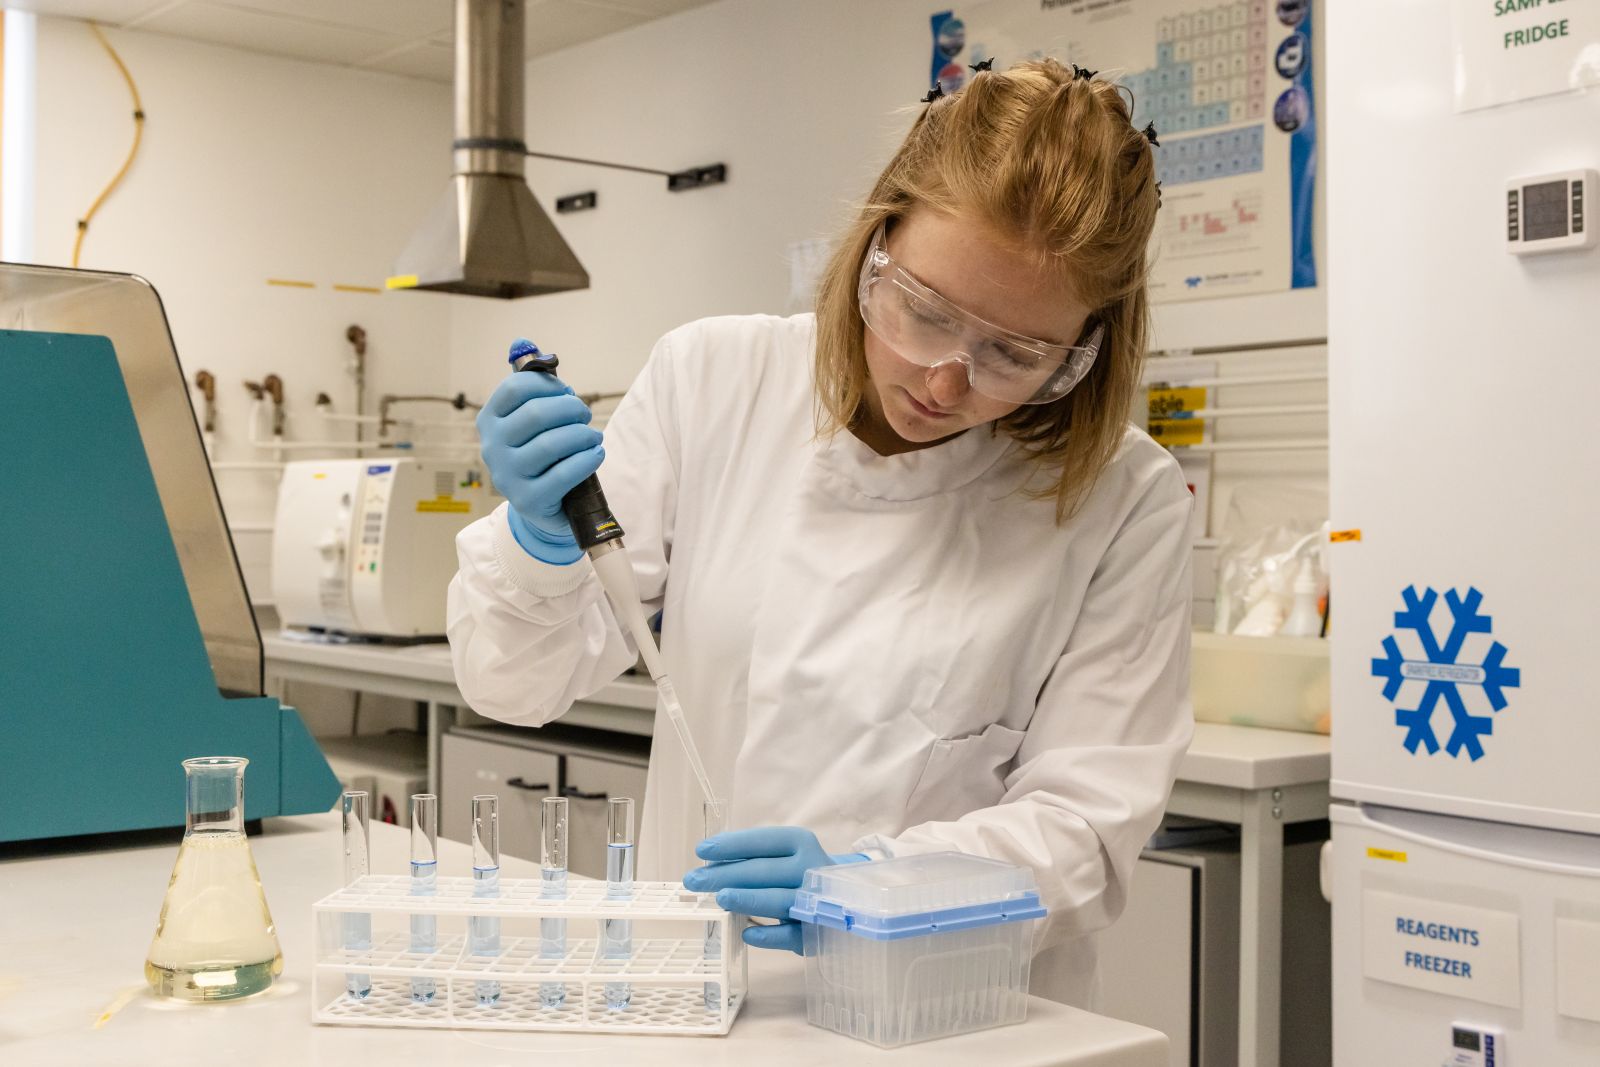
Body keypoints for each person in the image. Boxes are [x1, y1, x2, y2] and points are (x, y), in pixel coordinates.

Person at [447, 58, 1192, 1008]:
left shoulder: (1124, 498)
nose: (945, 381)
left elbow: (1084, 829)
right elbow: (511, 681)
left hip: (954, 1014)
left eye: (1015, 352)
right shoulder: (715, 379)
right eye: (923, 311)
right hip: (703, 992)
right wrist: (539, 541)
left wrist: (871, 888)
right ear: (875, 240)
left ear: (1087, 348)